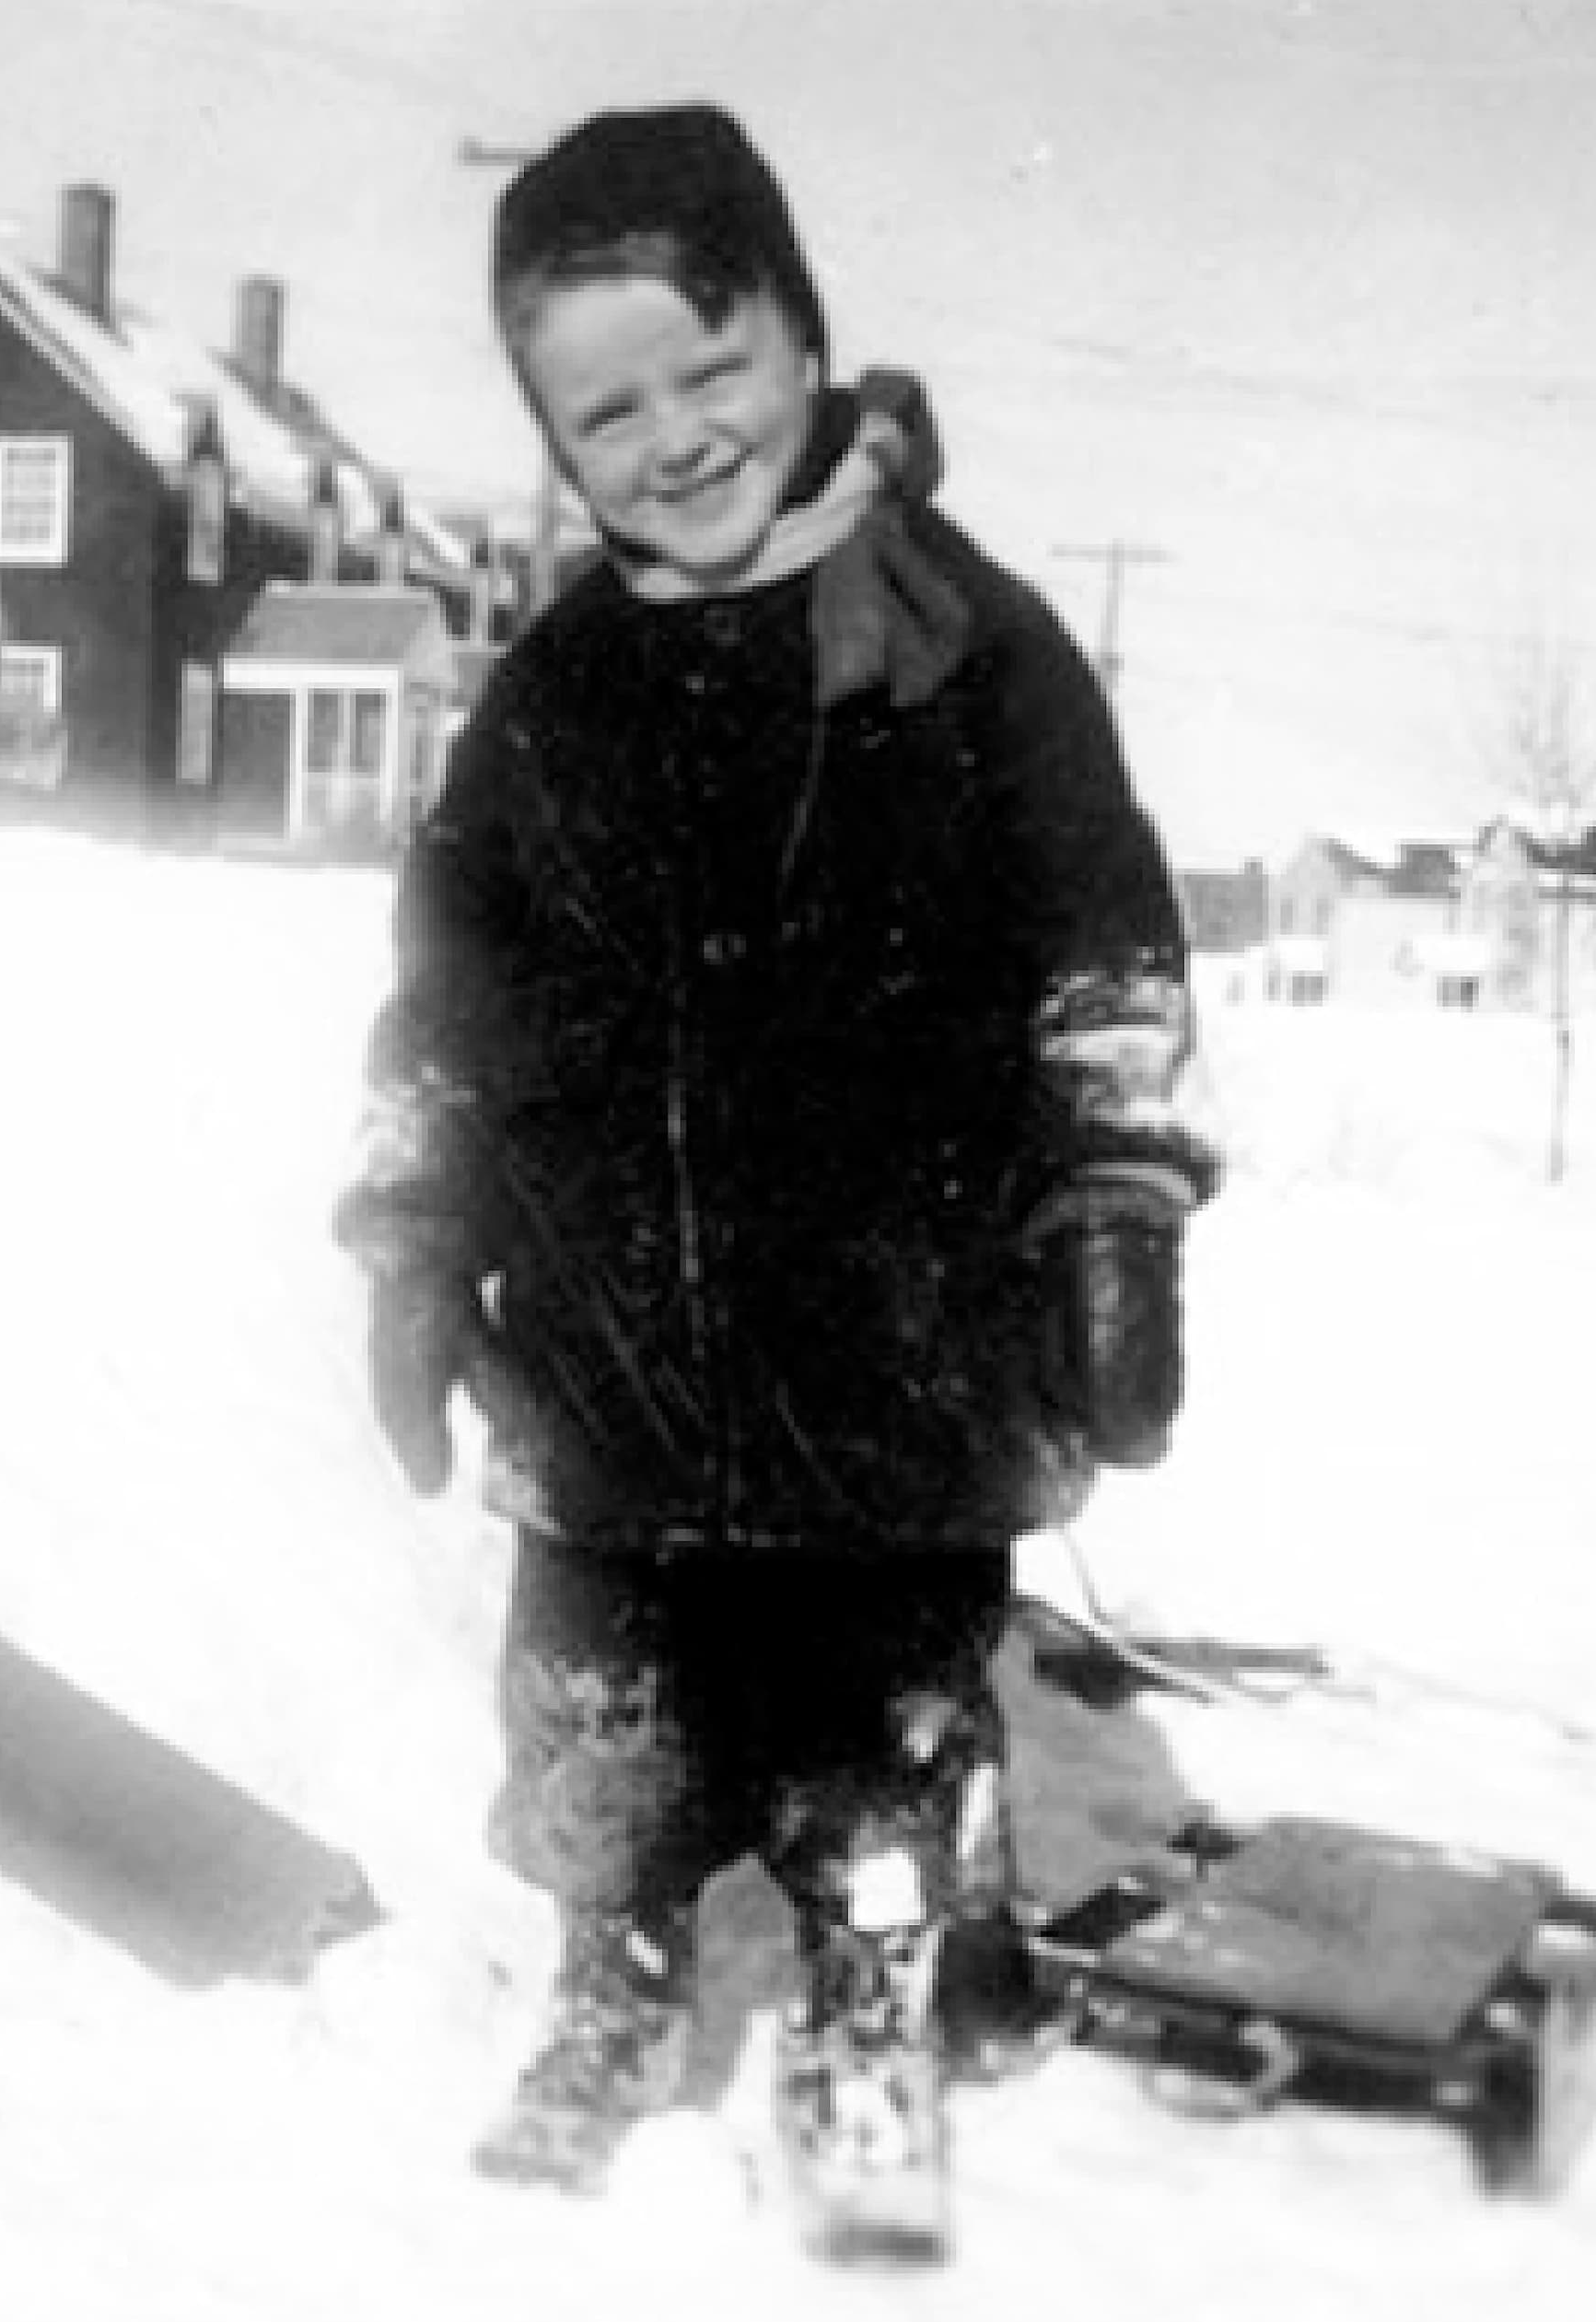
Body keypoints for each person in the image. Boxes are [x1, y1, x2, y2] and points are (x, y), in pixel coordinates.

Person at [336, 103, 1216, 2258]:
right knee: (597, 1736)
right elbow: (442, 989)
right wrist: (414, 1228)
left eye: (711, 369)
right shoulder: (554, 693)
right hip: (608, 1372)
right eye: (605, 409)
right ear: (557, 445)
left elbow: (1105, 941)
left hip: (905, 1375)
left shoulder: (970, 644)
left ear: (807, 339)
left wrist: (1115, 1202)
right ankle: (612, 1978)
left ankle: (865, 2013)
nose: (675, 437)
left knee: (877, 1758)